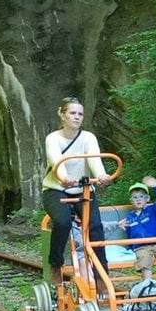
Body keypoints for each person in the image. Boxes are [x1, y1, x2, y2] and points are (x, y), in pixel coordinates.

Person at [43, 96, 112, 298]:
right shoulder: (53, 138)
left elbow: (94, 159)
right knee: (62, 222)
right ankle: (56, 264)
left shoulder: (88, 137)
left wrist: (100, 175)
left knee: (96, 229)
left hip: (83, 188)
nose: (77, 117)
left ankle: (101, 276)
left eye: (80, 114)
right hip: (56, 188)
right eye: (72, 113)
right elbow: (57, 160)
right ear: (62, 114)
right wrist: (64, 178)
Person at [119, 176, 156, 284]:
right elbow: (129, 234)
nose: (138, 199)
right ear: (131, 201)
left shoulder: (153, 210)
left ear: (147, 199)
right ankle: (148, 285)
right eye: (135, 197)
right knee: (144, 259)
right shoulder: (129, 218)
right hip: (140, 247)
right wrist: (130, 248)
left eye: (141, 196)